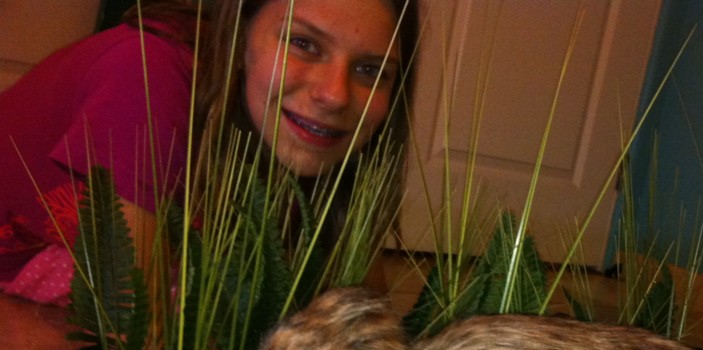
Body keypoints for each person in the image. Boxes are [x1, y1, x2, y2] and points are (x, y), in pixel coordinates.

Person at [0, 0, 418, 305]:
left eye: (371, 70)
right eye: (304, 44)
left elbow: (364, 320)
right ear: (239, 28)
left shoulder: (306, 132)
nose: (335, 95)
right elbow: (133, 322)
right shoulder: (147, 72)